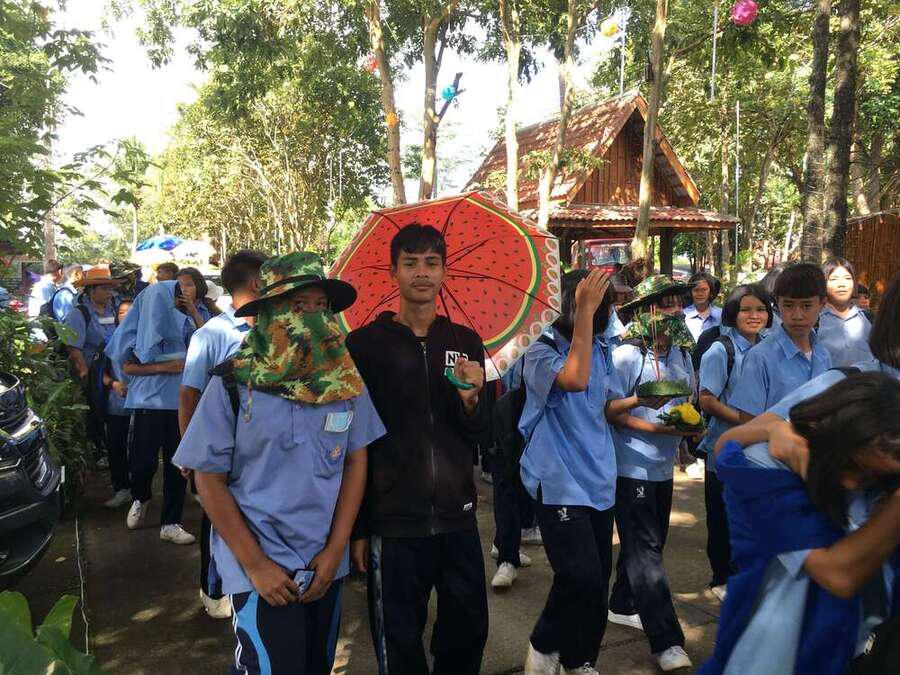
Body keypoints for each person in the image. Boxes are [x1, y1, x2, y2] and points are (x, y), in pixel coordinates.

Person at [173, 251, 384, 675]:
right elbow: (208, 480)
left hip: (324, 565)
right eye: (297, 305)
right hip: (258, 568)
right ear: (268, 311)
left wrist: (336, 550)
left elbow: (354, 463)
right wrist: (256, 565)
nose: (311, 317)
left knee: (316, 665)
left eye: (320, 306)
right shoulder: (234, 383)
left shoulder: (345, 381)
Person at [345, 224, 489, 675]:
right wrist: (358, 528)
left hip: (457, 517)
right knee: (399, 641)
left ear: (445, 271)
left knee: (469, 630)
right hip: (393, 523)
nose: (421, 273)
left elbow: (482, 434)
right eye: (410, 263)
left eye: (431, 263)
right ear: (393, 272)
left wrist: (472, 401)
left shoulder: (465, 342)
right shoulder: (364, 345)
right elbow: (354, 441)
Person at [702, 373, 900, 675]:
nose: (854, 484)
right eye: (856, 468)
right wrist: (771, 428)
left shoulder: (880, 467)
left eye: (874, 480)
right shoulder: (765, 470)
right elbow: (838, 575)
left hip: (854, 647)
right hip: (769, 657)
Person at [516, 269, 626, 675]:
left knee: (597, 582)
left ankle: (581, 660)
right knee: (579, 575)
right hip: (557, 478)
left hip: (599, 475)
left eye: (602, 302)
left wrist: (643, 404)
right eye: (587, 301)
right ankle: (544, 643)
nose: (599, 310)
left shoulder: (601, 348)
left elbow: (604, 405)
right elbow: (575, 380)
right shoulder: (540, 349)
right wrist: (584, 312)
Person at [604, 275, 699, 672]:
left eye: (679, 303)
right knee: (646, 553)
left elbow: (687, 400)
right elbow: (609, 410)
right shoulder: (627, 355)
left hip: (662, 466)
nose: (674, 311)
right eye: (665, 304)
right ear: (644, 311)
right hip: (630, 466)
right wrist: (654, 425)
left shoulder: (682, 353)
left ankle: (622, 602)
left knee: (650, 542)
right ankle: (667, 641)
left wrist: (685, 433)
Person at [178, 249, 267, 620]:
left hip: (257, 451)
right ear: (257, 283)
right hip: (219, 448)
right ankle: (212, 587)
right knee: (216, 518)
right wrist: (189, 455)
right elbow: (189, 394)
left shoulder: (274, 329)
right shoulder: (212, 334)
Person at [696, 285, 773, 600]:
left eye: (761, 309)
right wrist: (747, 423)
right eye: (746, 310)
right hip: (725, 449)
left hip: (761, 451)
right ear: (732, 313)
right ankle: (721, 578)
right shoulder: (721, 350)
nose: (754, 316)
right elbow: (707, 399)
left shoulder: (769, 348)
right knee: (723, 517)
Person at [105, 281, 195, 545]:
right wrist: (166, 367)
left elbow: (203, 352)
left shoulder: (185, 324)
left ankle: (171, 522)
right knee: (142, 462)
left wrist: (192, 311)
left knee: (177, 465)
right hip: (147, 403)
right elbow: (127, 367)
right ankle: (141, 497)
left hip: (179, 404)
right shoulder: (135, 329)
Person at [728, 263, 832, 421]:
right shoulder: (760, 357)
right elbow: (748, 422)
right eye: (788, 305)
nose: (797, 315)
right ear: (777, 302)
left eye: (806, 306)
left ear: (822, 304)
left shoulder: (824, 355)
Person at [103, 299, 133, 509]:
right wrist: (114, 384)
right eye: (121, 312)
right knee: (116, 447)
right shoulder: (108, 340)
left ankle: (139, 493)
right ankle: (121, 488)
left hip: (142, 404)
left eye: (129, 312)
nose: (125, 316)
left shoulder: (146, 339)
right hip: (116, 405)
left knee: (139, 451)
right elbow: (100, 373)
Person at [818, 257, 873, 367]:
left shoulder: (868, 319)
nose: (841, 284)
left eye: (847, 278)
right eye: (834, 279)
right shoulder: (815, 321)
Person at [175, 266, 220, 335]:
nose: (183, 289)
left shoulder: (208, 309)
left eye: (188, 285)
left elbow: (207, 337)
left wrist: (194, 313)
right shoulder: (172, 308)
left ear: (199, 286)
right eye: (179, 285)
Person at [684, 272, 722, 342]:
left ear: (711, 291)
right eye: (696, 290)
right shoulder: (684, 315)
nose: (700, 294)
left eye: (704, 290)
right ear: (690, 292)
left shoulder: (721, 315)